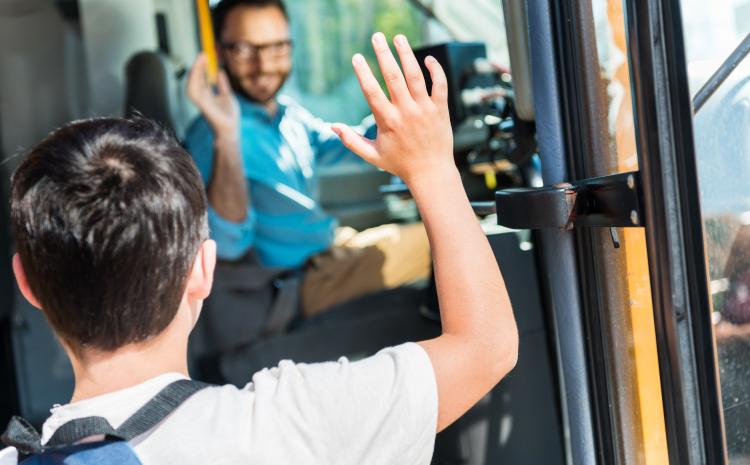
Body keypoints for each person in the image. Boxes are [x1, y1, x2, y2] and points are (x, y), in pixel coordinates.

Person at [0, 34, 518, 464]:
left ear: (29, 285)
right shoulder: (293, 420)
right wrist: (431, 166)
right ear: (204, 268)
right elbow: (486, 349)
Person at [185, 0, 432, 316]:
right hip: (297, 282)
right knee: (451, 242)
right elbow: (227, 245)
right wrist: (227, 136)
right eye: (246, 50)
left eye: (276, 47)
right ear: (220, 53)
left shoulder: (286, 113)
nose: (264, 66)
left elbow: (345, 145)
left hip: (332, 247)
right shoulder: (214, 133)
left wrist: (404, 115)